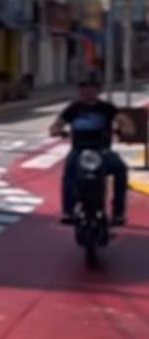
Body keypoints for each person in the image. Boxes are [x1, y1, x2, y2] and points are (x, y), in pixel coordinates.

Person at [49, 73, 132, 226]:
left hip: (102, 150)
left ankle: (118, 212)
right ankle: (68, 211)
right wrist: (56, 129)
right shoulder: (74, 108)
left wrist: (126, 128)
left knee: (121, 169)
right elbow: (58, 123)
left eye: (91, 87)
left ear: (98, 90)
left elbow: (122, 119)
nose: (87, 91)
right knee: (69, 173)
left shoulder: (106, 107)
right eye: (83, 87)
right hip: (79, 150)